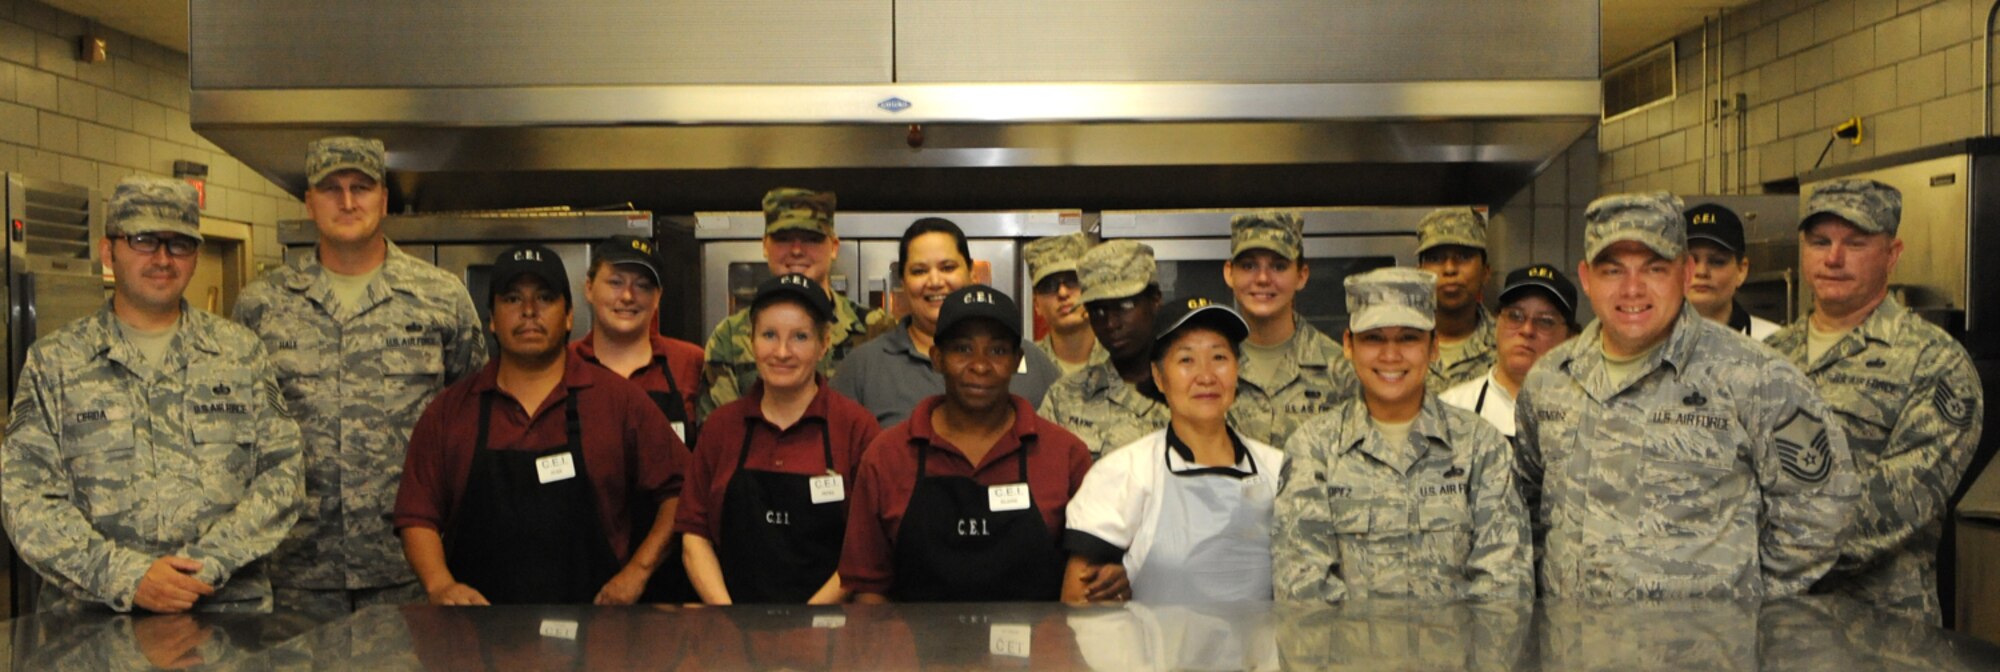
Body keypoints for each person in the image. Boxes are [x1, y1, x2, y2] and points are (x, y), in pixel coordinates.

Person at [1514, 192, 1859, 600]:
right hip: (1572, 651)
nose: (1632, 289)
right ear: (1587, 278)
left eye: (1654, 268)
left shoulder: (1758, 378)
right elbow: (1527, 506)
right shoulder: (1550, 380)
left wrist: (1736, 598)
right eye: (1612, 271)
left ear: (1685, 272)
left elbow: (1823, 510)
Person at [2, 176, 301, 613]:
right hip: (95, 624)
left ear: (196, 256)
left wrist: (204, 566)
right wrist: (127, 576)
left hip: (224, 616)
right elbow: (24, 496)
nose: (163, 259)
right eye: (144, 240)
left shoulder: (241, 354)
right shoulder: (56, 362)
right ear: (109, 252)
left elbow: (284, 474)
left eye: (179, 243)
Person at [233, 136, 487, 618]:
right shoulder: (262, 303)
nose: (347, 202)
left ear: (384, 200)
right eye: (331, 188)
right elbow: (240, 436)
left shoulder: (440, 297)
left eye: (361, 187)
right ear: (309, 203)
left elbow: (468, 423)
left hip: (410, 567)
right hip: (293, 570)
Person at [393, 246, 688, 606]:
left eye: (545, 298)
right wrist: (440, 585)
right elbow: (416, 515)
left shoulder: (619, 402)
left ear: (568, 316)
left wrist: (637, 573)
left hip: (599, 639)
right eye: (513, 298)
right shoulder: (450, 412)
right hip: (479, 640)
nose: (529, 311)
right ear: (491, 318)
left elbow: (682, 492)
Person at [1768, 180, 1985, 624]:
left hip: (1880, 631)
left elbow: (1900, 503)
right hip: (1773, 625)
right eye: (1820, 242)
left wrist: (1761, 549)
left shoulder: (1935, 363)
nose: (1833, 258)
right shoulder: (1768, 357)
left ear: (1893, 253)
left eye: (1856, 243)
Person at [1272, 268, 1531, 602]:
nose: (1390, 355)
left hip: (1457, 655)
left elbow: (1504, 586)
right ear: (1349, 345)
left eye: (1408, 337)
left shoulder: (1481, 446)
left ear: (1433, 346)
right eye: (1374, 338)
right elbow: (1303, 590)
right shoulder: (1314, 448)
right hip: (1345, 655)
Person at [839, 286, 1098, 602]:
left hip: (1037, 650)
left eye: (997, 351)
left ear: (1017, 360)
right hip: (913, 651)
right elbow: (868, 590)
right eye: (962, 349)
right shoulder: (887, 456)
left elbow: (1088, 578)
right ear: (937, 358)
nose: (980, 365)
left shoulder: (1066, 455)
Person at [1062, 297, 1286, 603]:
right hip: (1152, 651)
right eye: (1186, 360)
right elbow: (1078, 600)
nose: (1206, 376)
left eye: (1219, 357)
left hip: (1260, 652)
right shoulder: (1124, 473)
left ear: (1237, 370)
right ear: (1158, 376)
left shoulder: (1278, 471)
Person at [677, 274, 884, 605]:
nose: (782, 352)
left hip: (827, 634)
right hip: (733, 636)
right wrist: (728, 617)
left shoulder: (856, 428)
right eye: (769, 335)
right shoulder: (722, 428)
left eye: (800, 337)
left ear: (824, 343)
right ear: (751, 340)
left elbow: (865, 547)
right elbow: (694, 537)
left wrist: (810, 621)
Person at [833, 217, 1064, 427]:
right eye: (919, 271)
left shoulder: (1031, 362)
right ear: (903, 282)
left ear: (972, 274)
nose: (935, 281)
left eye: (948, 268)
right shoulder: (862, 368)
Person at [698, 188, 886, 420]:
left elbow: (893, 425)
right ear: (765, 245)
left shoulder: (877, 329)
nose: (797, 250)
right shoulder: (729, 336)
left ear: (834, 246)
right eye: (783, 239)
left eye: (811, 238)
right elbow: (721, 436)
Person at [1221, 211, 1359, 446]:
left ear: (1302, 275)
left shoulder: (1340, 369)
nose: (1263, 278)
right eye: (1249, 265)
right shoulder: (1207, 366)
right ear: (1229, 273)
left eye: (1278, 266)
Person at [571, 235, 707, 444]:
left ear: (658, 297)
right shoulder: (564, 364)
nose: (627, 296)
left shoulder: (691, 362)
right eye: (615, 282)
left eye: (642, 286)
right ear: (589, 288)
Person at [1041, 240, 1172, 456]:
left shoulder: (1197, 388)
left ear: (1155, 300)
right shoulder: (1064, 398)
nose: (1111, 323)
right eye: (1099, 311)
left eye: (1125, 306)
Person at [1440, 264, 1579, 437]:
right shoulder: (1450, 409)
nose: (1527, 330)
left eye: (1545, 321)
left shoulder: (1590, 415)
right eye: (1515, 316)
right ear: (1497, 323)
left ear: (1570, 338)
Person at [1415, 207, 1496, 391]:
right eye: (1435, 258)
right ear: (1419, 273)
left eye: (1463, 256)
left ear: (1486, 272)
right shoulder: (1397, 345)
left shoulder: (1508, 347)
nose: (1450, 269)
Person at [1684, 203, 1781, 341]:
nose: (1701, 271)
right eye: (1690, 262)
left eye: (1717, 261)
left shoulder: (1773, 342)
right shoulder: (1648, 343)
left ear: (1741, 270)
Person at [1024, 232, 1108, 377]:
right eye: (1049, 285)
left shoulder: (1124, 360)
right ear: (1036, 304)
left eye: (1073, 280)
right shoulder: (1024, 368)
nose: (1062, 293)